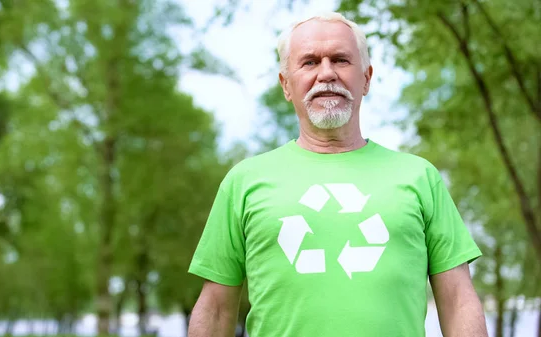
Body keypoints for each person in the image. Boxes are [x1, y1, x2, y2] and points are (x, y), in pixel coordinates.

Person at [186, 11, 489, 337]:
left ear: (367, 78)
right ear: (286, 85)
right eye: (310, 62)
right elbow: (216, 307)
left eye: (341, 60)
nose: (326, 73)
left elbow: (458, 300)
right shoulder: (243, 181)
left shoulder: (419, 177)